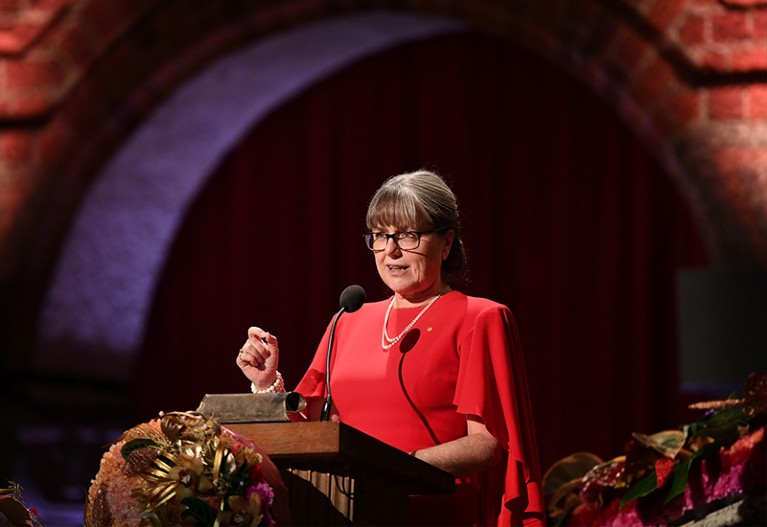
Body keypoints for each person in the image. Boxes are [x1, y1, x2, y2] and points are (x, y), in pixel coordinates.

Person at [236, 170, 544, 526]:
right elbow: (308, 429)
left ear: (446, 244)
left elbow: (487, 444)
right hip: (342, 512)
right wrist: (267, 382)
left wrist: (394, 466)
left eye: (408, 235)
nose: (391, 250)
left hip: (428, 512)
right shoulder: (347, 320)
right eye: (381, 236)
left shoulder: (480, 317)